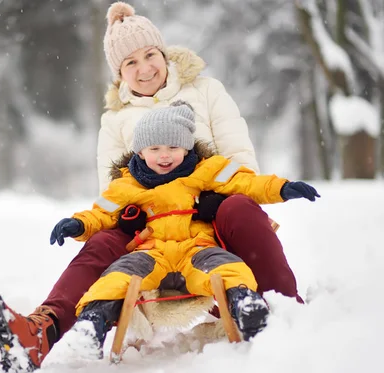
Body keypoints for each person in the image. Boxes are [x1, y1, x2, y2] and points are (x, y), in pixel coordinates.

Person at [0, 2, 303, 371]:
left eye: (149, 55)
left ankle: (282, 307)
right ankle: (41, 332)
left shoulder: (207, 91)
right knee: (100, 242)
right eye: (130, 62)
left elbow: (242, 161)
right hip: (146, 230)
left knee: (240, 208)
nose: (144, 68)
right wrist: (123, 217)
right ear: (120, 73)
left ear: (163, 53)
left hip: (213, 215)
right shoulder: (115, 120)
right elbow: (111, 192)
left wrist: (214, 197)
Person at [54, 102, 318, 358]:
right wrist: (78, 224)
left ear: (187, 147)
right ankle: (92, 323)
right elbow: (101, 213)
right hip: (150, 252)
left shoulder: (207, 170)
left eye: (173, 146)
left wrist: (281, 188)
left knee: (228, 268)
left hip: (198, 247)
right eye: (155, 148)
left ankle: (246, 305)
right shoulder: (126, 185)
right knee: (116, 277)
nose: (165, 155)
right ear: (140, 152)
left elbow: (246, 183)